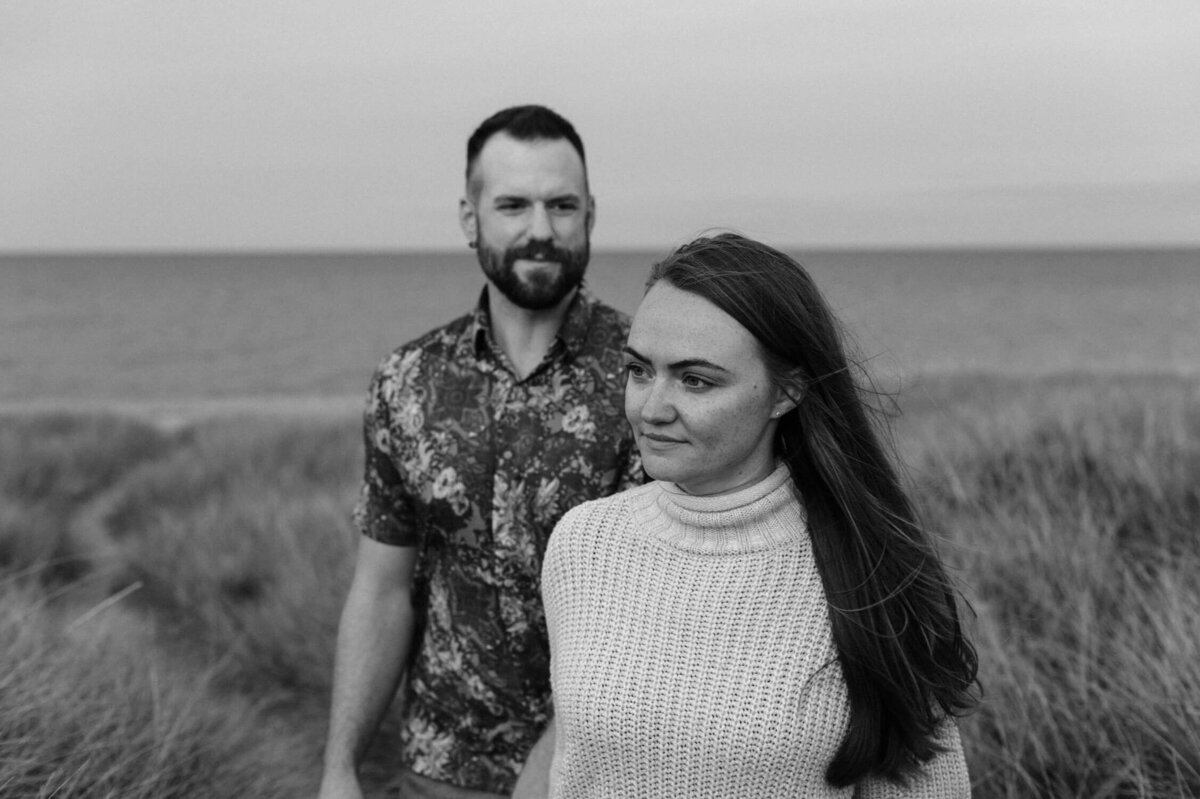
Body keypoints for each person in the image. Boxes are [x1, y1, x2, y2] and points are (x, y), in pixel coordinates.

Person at [534, 233, 980, 797]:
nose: (651, 408)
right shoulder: (584, 543)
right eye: (640, 370)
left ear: (785, 391)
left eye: (695, 380)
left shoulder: (872, 571)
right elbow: (572, 774)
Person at [318, 105, 641, 799]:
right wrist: (340, 766)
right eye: (512, 205)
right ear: (470, 219)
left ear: (591, 214)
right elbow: (381, 589)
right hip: (439, 769)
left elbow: (656, 599)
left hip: (603, 770)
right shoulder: (407, 381)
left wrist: (558, 747)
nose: (541, 230)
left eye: (562, 205)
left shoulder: (648, 377)